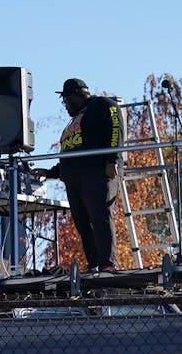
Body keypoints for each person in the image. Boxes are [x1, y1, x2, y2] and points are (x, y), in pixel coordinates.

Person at [38, 77, 121, 272]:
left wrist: (113, 159)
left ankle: (108, 263)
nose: (65, 105)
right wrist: (51, 172)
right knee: (83, 223)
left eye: (66, 100)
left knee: (100, 215)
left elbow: (116, 127)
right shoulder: (74, 120)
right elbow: (71, 153)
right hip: (74, 177)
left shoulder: (102, 104)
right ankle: (94, 264)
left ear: (75, 94)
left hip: (97, 171)